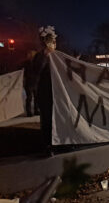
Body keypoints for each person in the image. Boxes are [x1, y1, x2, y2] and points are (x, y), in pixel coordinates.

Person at [32, 26, 57, 155]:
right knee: (46, 120)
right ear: (46, 42)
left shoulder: (56, 57)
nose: (55, 44)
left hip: (55, 95)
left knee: (54, 120)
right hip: (44, 95)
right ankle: (46, 146)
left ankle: (55, 142)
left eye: (55, 41)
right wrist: (45, 56)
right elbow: (36, 72)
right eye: (52, 41)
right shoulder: (40, 56)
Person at [23, 50, 39, 117]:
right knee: (29, 98)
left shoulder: (36, 63)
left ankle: (36, 110)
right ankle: (29, 112)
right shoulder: (26, 63)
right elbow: (23, 72)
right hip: (29, 83)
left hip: (35, 82)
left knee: (36, 98)